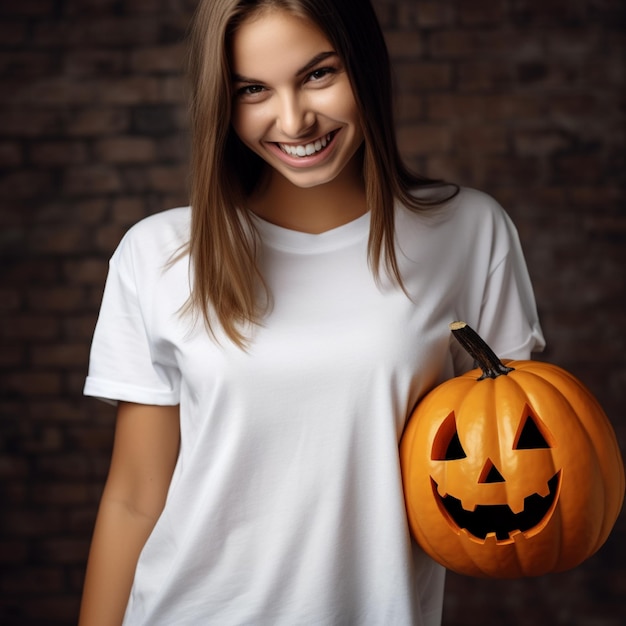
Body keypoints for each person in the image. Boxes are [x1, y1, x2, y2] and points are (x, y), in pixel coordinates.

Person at [78, 0, 545, 624]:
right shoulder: (158, 254)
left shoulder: (468, 230)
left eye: (319, 74)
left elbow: (527, 447)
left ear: (366, 68)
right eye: (252, 89)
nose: (294, 120)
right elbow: (135, 498)